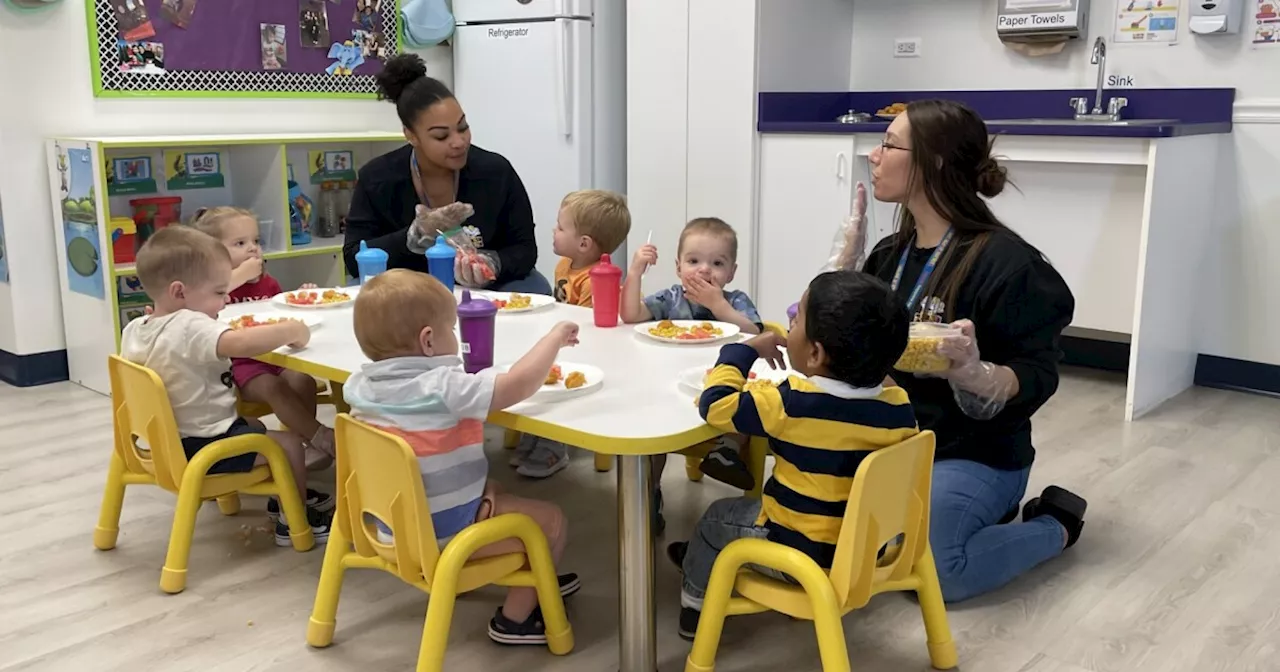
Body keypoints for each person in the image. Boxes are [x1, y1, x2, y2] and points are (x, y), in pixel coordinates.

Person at [861, 99, 1086, 602]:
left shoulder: (1010, 266)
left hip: (974, 454)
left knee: (936, 574)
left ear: (934, 161)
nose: (874, 157)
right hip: (894, 446)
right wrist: (838, 277)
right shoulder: (885, 256)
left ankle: (1056, 524)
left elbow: (1035, 374)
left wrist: (975, 373)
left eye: (888, 145)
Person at [666, 271, 918, 640]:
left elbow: (715, 406)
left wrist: (744, 350)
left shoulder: (789, 404)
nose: (789, 322)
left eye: (797, 317)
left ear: (815, 354)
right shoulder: (900, 407)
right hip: (867, 549)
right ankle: (706, 563)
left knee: (715, 518)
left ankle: (696, 607)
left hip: (801, 551)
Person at [342, 269, 582, 645]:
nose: (456, 336)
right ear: (428, 341)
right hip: (442, 537)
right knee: (551, 522)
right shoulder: (442, 387)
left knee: (495, 486)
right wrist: (553, 338)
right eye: (451, 329)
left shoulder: (358, 387)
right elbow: (517, 384)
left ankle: (537, 580)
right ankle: (515, 619)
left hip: (392, 524)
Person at [120, 227, 334, 546]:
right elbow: (242, 343)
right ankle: (296, 522)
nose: (224, 302)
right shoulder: (191, 325)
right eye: (219, 293)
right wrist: (290, 329)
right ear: (180, 292)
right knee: (289, 444)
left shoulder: (137, 327)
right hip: (199, 445)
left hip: (162, 441)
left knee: (255, 425)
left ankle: (285, 494)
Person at [344, 53, 550, 294]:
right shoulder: (377, 178)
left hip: (488, 290)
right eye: (441, 136)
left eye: (463, 128)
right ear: (411, 135)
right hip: (409, 290)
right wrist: (415, 236)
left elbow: (524, 249)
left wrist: (492, 263)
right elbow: (354, 257)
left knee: (536, 287)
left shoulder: (496, 171)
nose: (459, 142)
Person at [621, 218, 765, 526]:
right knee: (653, 432)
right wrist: (634, 271)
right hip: (670, 387)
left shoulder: (735, 301)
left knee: (746, 400)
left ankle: (727, 450)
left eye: (716, 263)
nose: (704, 270)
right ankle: (650, 492)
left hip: (718, 384)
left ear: (731, 273)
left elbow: (755, 334)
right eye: (694, 261)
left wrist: (719, 307)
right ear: (678, 267)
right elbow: (632, 314)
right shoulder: (671, 298)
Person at [191, 207, 335, 472]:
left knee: (302, 379)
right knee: (274, 387)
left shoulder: (267, 284)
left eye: (256, 241)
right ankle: (322, 437)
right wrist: (240, 276)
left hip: (275, 354)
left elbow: (278, 316)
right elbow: (206, 311)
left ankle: (309, 441)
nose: (253, 249)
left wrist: (303, 297)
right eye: (240, 243)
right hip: (239, 364)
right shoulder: (207, 292)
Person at [511, 189, 632, 478]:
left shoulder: (598, 279)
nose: (553, 230)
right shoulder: (565, 265)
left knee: (561, 392)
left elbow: (593, 327)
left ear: (584, 243)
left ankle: (555, 447)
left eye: (560, 226)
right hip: (563, 341)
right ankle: (535, 432)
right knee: (537, 375)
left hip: (586, 350)